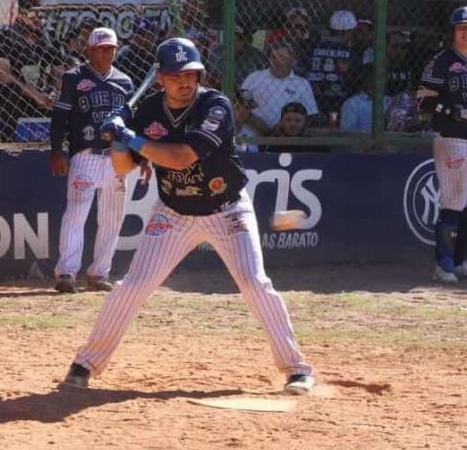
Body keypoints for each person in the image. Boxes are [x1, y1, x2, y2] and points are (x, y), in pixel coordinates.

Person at [62, 37, 315, 395]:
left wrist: (131, 138)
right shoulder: (146, 111)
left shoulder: (216, 105)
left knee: (254, 283)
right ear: (161, 78)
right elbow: (121, 169)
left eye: (191, 74)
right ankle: (86, 363)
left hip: (226, 210)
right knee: (132, 287)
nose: (185, 82)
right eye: (176, 75)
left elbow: (181, 157)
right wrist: (118, 141)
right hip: (173, 213)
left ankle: (296, 368)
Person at [49, 27, 134, 293]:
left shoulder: (125, 82)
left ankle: (99, 273)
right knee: (76, 214)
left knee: (113, 217)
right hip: (85, 153)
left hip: (118, 156)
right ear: (89, 50)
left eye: (111, 48)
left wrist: (139, 157)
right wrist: (57, 150)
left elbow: (133, 122)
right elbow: (60, 117)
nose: (107, 53)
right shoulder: (74, 78)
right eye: (102, 48)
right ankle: (66, 272)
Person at [416, 6, 467, 284]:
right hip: (451, 138)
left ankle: (460, 260)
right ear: (453, 31)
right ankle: (443, 262)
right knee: (454, 199)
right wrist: (452, 111)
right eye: (461, 29)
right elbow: (423, 99)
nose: (465, 34)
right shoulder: (442, 61)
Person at [0, 0, 57, 142]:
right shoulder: (5, 35)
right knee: (9, 91)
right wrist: (35, 95)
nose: (38, 19)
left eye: (41, 14)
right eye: (32, 13)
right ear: (20, 14)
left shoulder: (45, 37)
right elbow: (3, 74)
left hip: (42, 94)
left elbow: (59, 69)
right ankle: (7, 143)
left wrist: (57, 91)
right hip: (14, 96)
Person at [240, 41, 320, 134]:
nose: (276, 61)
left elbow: (310, 114)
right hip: (252, 133)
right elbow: (241, 106)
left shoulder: (302, 84)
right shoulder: (254, 78)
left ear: (293, 61)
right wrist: (261, 127)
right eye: (273, 57)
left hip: (286, 137)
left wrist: (284, 127)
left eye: (282, 57)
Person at [305, 10, 358, 116]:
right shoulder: (350, 51)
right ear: (350, 31)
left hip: (313, 97)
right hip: (341, 98)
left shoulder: (313, 46)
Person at [208, 23, 267, 89]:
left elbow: (263, 81)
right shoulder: (217, 52)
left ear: (249, 40)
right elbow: (212, 79)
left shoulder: (257, 56)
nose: (234, 41)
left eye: (240, 38)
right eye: (231, 36)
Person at [261, 102, 329, 153]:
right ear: (281, 122)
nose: (293, 124)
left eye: (298, 120)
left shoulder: (317, 146)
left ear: (305, 123)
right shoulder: (269, 144)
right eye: (288, 120)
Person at [340, 67, 389, 133]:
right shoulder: (353, 103)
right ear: (366, 80)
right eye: (375, 77)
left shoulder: (390, 101)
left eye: (383, 78)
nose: (380, 81)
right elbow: (347, 133)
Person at [114, 16, 160, 87]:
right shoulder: (125, 55)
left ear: (154, 36)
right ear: (134, 36)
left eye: (147, 35)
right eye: (140, 34)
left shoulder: (159, 54)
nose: (143, 38)